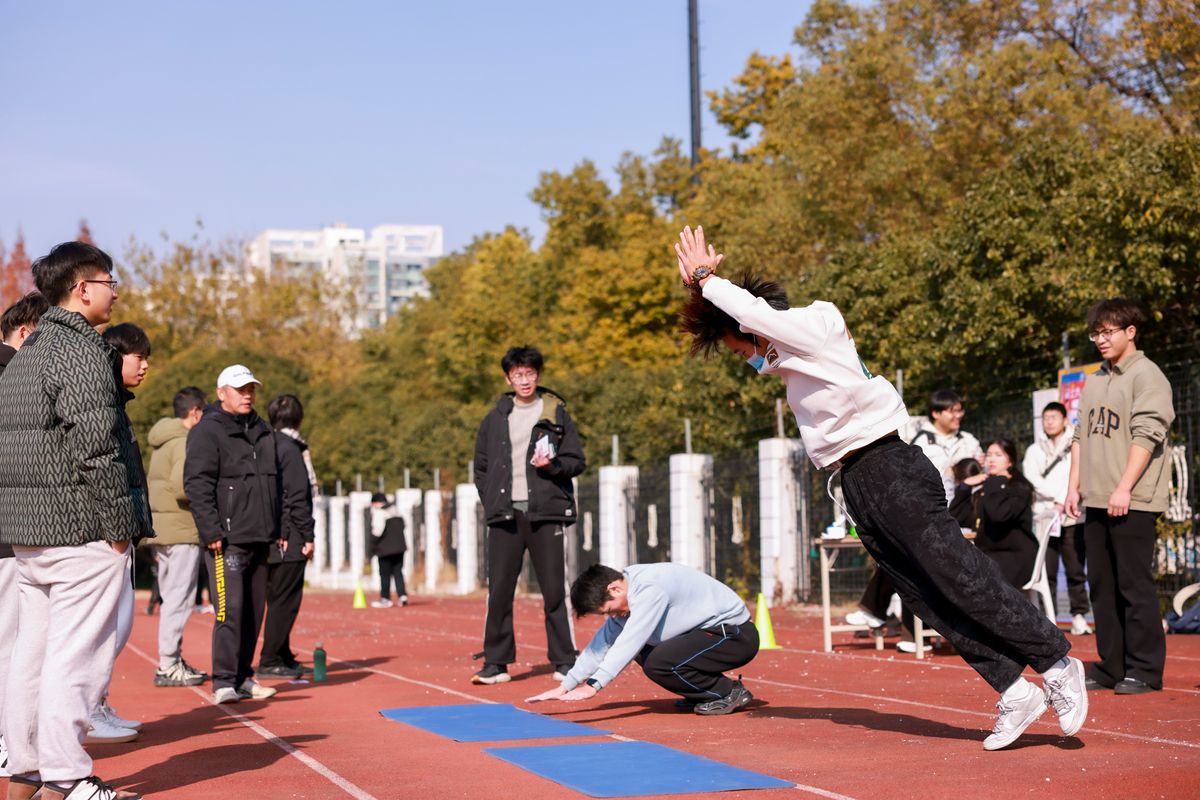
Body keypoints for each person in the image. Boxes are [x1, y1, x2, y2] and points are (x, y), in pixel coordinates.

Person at [673, 224, 1086, 750]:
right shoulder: (788, 357)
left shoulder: (814, 325)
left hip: (890, 466)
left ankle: (1055, 662)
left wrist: (707, 280)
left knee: (957, 573)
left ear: (753, 326)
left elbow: (753, 316)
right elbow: (747, 331)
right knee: (920, 594)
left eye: (741, 350)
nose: (748, 361)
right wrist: (699, 296)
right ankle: (1013, 688)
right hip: (856, 482)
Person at [0, 242, 144, 800]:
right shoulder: (80, 351)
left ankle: (25, 774)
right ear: (83, 289)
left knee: (30, 658)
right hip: (80, 527)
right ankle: (68, 778)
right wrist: (119, 526)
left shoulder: (30, 350)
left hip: (30, 533)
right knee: (76, 659)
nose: (115, 293)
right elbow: (97, 447)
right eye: (110, 282)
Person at [1065, 298, 1175, 695]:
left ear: (1131, 331)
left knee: (1134, 585)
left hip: (1134, 498)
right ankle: (1112, 665)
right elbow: (1080, 434)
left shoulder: (1148, 376)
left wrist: (1125, 487)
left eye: (1108, 331)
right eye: (1095, 333)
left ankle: (1145, 669)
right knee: (1102, 585)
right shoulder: (1095, 379)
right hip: (1096, 497)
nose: (1101, 339)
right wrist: (1073, 486)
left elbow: (1148, 435)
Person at [471, 346, 586, 685]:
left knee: (554, 591)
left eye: (530, 373)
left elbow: (577, 461)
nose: (525, 380)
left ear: (538, 375)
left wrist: (553, 466)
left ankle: (565, 661)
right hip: (505, 516)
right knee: (499, 591)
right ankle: (496, 663)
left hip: (546, 513)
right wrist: (492, 500)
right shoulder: (494, 418)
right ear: (508, 378)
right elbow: (481, 467)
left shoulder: (555, 412)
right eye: (518, 374)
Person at [526, 563, 759, 714]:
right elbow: (601, 645)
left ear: (614, 589)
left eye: (610, 610)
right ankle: (702, 692)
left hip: (734, 636)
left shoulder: (648, 589)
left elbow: (630, 640)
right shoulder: (626, 592)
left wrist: (593, 686)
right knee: (648, 655)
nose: (613, 616)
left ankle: (727, 691)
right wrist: (566, 685)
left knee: (658, 660)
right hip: (706, 633)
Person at [184, 364, 286, 704]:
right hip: (226, 539)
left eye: (251, 389)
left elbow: (276, 484)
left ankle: (243, 677)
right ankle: (224, 681)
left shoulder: (262, 429)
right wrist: (210, 528)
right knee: (229, 610)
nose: (248, 395)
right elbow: (197, 483)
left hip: (261, 535)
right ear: (221, 393)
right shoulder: (207, 431)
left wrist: (280, 527)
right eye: (241, 390)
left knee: (255, 612)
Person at [88, 323, 160, 742]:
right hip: (107, 534)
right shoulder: (102, 402)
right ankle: (86, 711)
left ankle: (96, 703)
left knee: (119, 627)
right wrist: (117, 529)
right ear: (115, 358)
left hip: (124, 533)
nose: (145, 365)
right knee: (102, 631)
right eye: (139, 357)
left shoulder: (119, 404)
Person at [0, 291, 48, 781]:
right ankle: (8, 742)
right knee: (11, 643)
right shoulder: (12, 378)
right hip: (8, 532)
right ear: (25, 332)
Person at [147, 386, 210, 687]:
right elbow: (184, 485)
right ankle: (169, 663)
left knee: (171, 596)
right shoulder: (185, 441)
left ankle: (169, 660)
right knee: (179, 599)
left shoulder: (162, 441)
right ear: (195, 412)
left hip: (162, 527)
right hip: (182, 528)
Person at [258, 394, 316, 679]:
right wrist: (307, 535)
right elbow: (297, 496)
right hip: (289, 534)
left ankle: (281, 653)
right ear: (299, 418)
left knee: (276, 596)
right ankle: (271, 659)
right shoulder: (291, 449)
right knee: (285, 600)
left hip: (268, 531)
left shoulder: (264, 442)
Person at [1025, 401, 1091, 635]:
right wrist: (1057, 499)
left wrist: (1066, 499)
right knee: (1047, 569)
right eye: (1046, 418)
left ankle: (1079, 615)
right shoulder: (1034, 450)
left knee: (1075, 568)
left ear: (1064, 420)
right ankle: (1047, 617)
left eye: (1054, 417)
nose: (1049, 422)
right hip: (1045, 516)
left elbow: (1081, 473)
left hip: (1073, 515)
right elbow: (1032, 478)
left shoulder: (1076, 445)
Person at [963, 439, 1037, 591]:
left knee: (975, 583)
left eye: (998, 455)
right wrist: (965, 487)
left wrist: (996, 482)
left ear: (1010, 461)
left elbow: (998, 515)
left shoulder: (1019, 488)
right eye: (989, 455)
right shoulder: (989, 487)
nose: (991, 459)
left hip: (1014, 557)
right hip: (988, 555)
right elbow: (959, 518)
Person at [905, 389, 984, 504]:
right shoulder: (921, 444)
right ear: (936, 413)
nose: (958, 415)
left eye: (960, 411)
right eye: (952, 411)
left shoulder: (969, 440)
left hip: (968, 507)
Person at [370, 492, 408, 608]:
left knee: (384, 574)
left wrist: (372, 545)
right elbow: (404, 525)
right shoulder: (396, 510)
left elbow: (377, 531)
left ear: (376, 503)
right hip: (400, 547)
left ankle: (385, 598)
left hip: (385, 550)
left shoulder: (380, 513)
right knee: (398, 572)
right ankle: (402, 596)